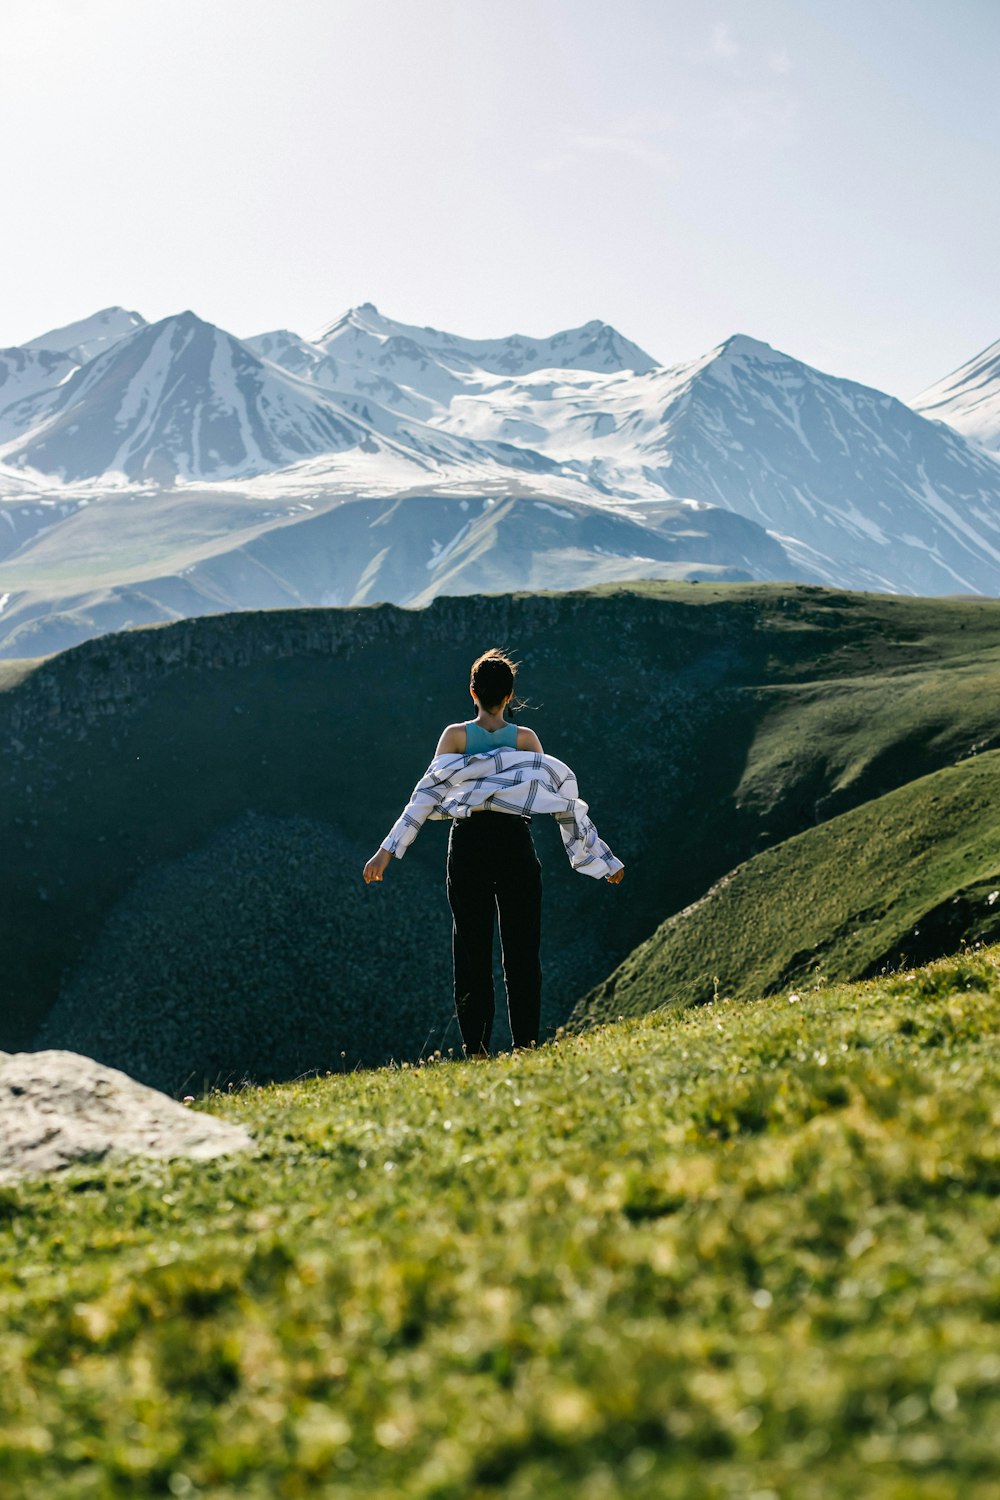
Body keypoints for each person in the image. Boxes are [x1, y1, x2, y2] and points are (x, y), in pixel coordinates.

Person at [363, 649, 624, 1057]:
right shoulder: (526, 740)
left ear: (473, 693)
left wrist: (386, 852)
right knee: (522, 949)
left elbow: (424, 797)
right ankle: (526, 1044)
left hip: (468, 844)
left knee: (471, 947)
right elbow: (560, 804)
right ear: (510, 696)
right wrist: (601, 861)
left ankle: (477, 1047)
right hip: (514, 844)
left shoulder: (455, 737)